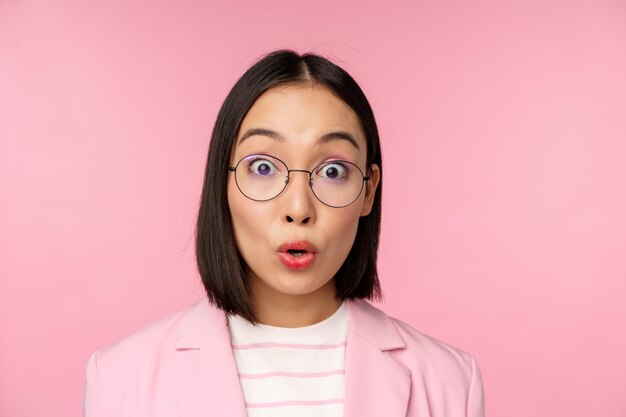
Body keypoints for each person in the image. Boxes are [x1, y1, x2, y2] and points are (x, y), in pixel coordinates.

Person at [83, 49, 485, 417]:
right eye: (262, 167)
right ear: (221, 183)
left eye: (332, 172)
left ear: (368, 190)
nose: (298, 209)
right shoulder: (119, 379)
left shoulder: (451, 382)